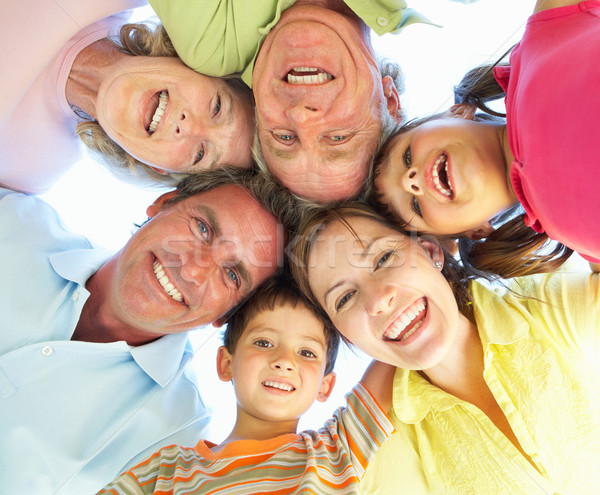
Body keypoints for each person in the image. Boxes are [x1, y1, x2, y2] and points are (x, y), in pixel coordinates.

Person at [0, 168, 286, 495]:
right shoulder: (13, 221)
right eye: (203, 228)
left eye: (232, 275)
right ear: (163, 203)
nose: (192, 269)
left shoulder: (175, 441)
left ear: (226, 316)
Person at [289, 202, 600, 494]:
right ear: (349, 337)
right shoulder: (386, 445)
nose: (377, 300)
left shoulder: (547, 306)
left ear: (430, 251)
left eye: (384, 258)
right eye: (344, 299)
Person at [149, 0, 480, 201]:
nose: (302, 116)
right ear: (389, 101)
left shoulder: (214, 44)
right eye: (338, 137)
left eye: (284, 137)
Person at [99, 275, 396, 494]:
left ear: (325, 386)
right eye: (264, 343)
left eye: (306, 352)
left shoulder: (335, 450)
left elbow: (399, 342)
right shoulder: (167, 471)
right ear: (227, 364)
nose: (284, 361)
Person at [370, 0, 600, 276]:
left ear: (456, 112)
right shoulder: (577, 238)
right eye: (415, 206)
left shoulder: (547, 28)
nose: (411, 181)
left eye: (406, 156)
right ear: (474, 231)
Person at [1, 2, 255, 194]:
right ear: (204, 67)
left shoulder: (33, 169)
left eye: (199, 154)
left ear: (158, 166)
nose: (187, 126)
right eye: (217, 107)